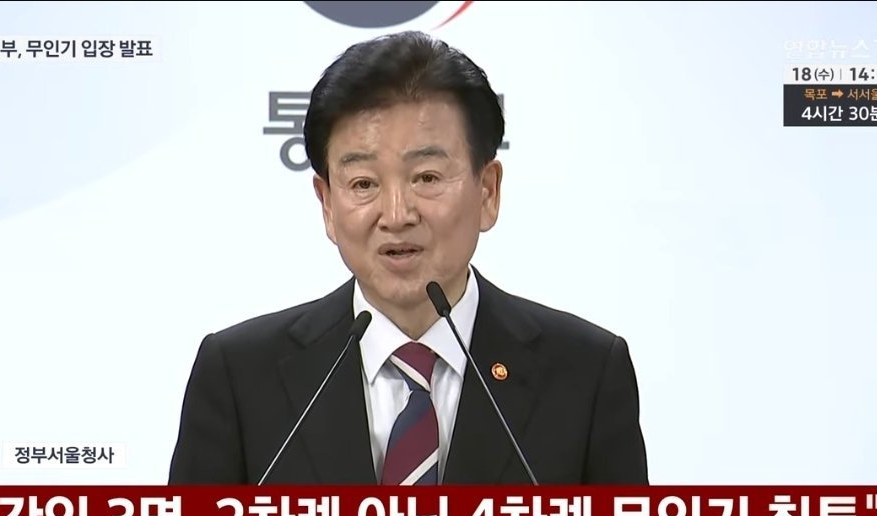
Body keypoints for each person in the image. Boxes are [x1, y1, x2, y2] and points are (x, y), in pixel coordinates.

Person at [167, 30, 649, 487]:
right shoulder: (240, 377)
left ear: (487, 191)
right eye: (363, 184)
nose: (397, 215)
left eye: (427, 177)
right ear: (328, 205)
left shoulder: (585, 375)